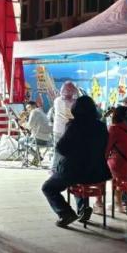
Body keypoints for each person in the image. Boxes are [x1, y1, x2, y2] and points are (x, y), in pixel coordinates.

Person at [41, 95, 111, 227]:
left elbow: (61, 148)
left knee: (48, 187)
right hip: (97, 172)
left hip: (75, 171)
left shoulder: (74, 125)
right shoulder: (101, 126)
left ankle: (65, 213)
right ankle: (82, 209)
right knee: (76, 179)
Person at [105, 105, 127, 212]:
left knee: (109, 163)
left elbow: (106, 149)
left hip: (120, 166)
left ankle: (117, 203)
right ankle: (120, 201)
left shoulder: (114, 128)